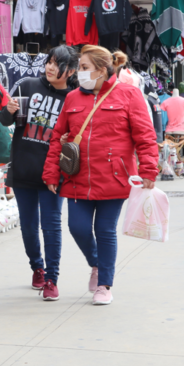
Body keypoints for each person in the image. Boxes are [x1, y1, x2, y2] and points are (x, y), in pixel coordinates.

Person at [43, 46, 158, 305]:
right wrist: (51, 172)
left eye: (84, 68)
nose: (79, 73)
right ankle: (96, 264)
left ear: (102, 69)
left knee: (105, 230)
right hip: (77, 177)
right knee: (77, 228)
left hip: (115, 177)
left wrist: (149, 169)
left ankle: (104, 284)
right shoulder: (72, 98)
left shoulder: (130, 94)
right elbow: (57, 138)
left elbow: (146, 137)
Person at [0, 46, 78, 301]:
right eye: (50, 61)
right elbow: (4, 121)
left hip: (53, 174)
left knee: (52, 226)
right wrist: (8, 110)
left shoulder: (74, 99)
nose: (51, 67)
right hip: (23, 167)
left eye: (58, 64)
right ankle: (38, 267)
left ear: (71, 71)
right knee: (29, 226)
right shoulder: (28, 85)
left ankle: (52, 279)